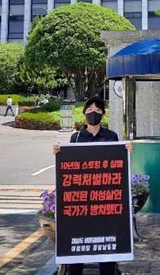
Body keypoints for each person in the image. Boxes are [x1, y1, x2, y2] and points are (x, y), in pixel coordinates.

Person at [53, 96, 132, 275]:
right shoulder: (77, 137)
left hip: (105, 202)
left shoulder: (112, 136)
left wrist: (127, 151)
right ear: (84, 114)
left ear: (103, 114)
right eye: (89, 110)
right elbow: (68, 167)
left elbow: (118, 164)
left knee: (107, 252)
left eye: (97, 110)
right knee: (77, 252)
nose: (93, 113)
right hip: (81, 204)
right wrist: (57, 152)